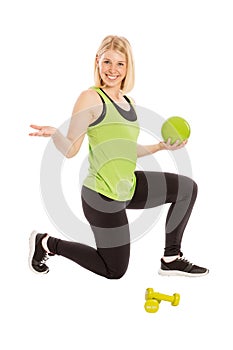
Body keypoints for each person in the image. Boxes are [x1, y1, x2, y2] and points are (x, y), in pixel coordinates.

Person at [28, 35, 208, 278]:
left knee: (187, 189)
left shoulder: (128, 102)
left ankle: (171, 258)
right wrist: (56, 135)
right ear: (97, 62)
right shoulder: (90, 98)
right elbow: (71, 150)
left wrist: (160, 147)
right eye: (107, 62)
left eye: (120, 64)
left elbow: (126, 149)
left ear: (128, 67)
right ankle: (46, 243)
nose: (113, 70)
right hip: (101, 195)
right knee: (114, 270)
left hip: (128, 186)